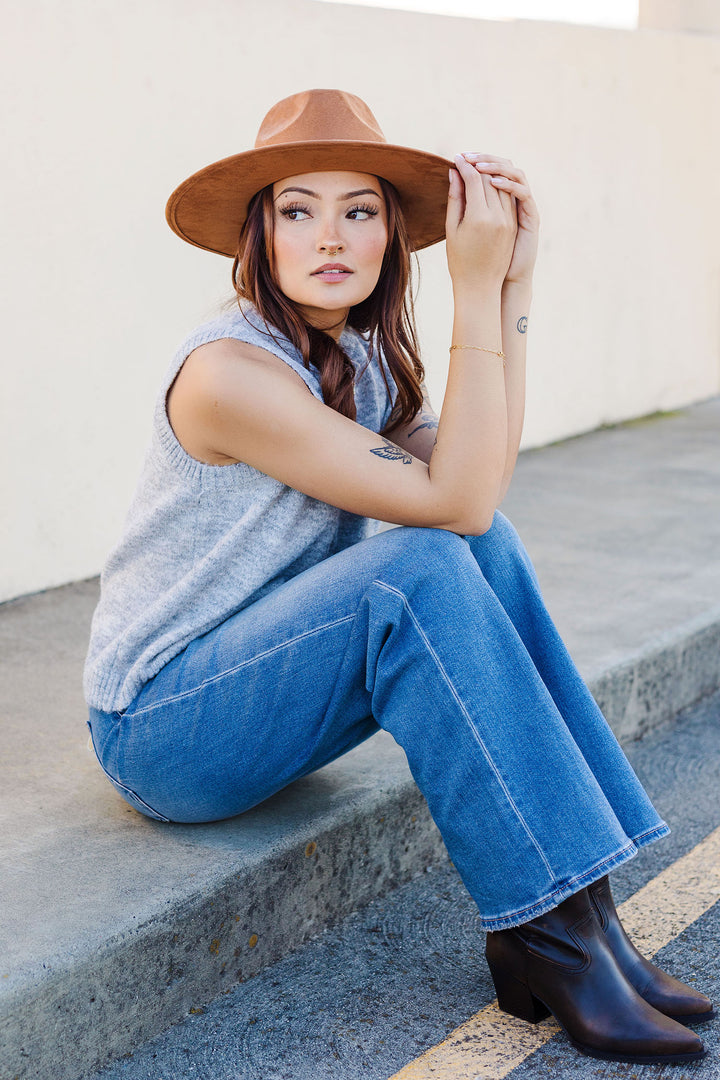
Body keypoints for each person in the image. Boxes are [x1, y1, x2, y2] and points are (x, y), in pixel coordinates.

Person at [83, 88, 712, 1065]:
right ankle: (550, 931)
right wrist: (469, 295)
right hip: (165, 728)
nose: (328, 235)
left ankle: (580, 920)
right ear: (260, 237)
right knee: (414, 566)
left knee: (479, 546)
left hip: (267, 686)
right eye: (298, 210)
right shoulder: (229, 375)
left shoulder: (359, 359)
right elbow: (448, 506)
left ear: (389, 237)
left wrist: (512, 287)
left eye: (359, 211)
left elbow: (478, 488)